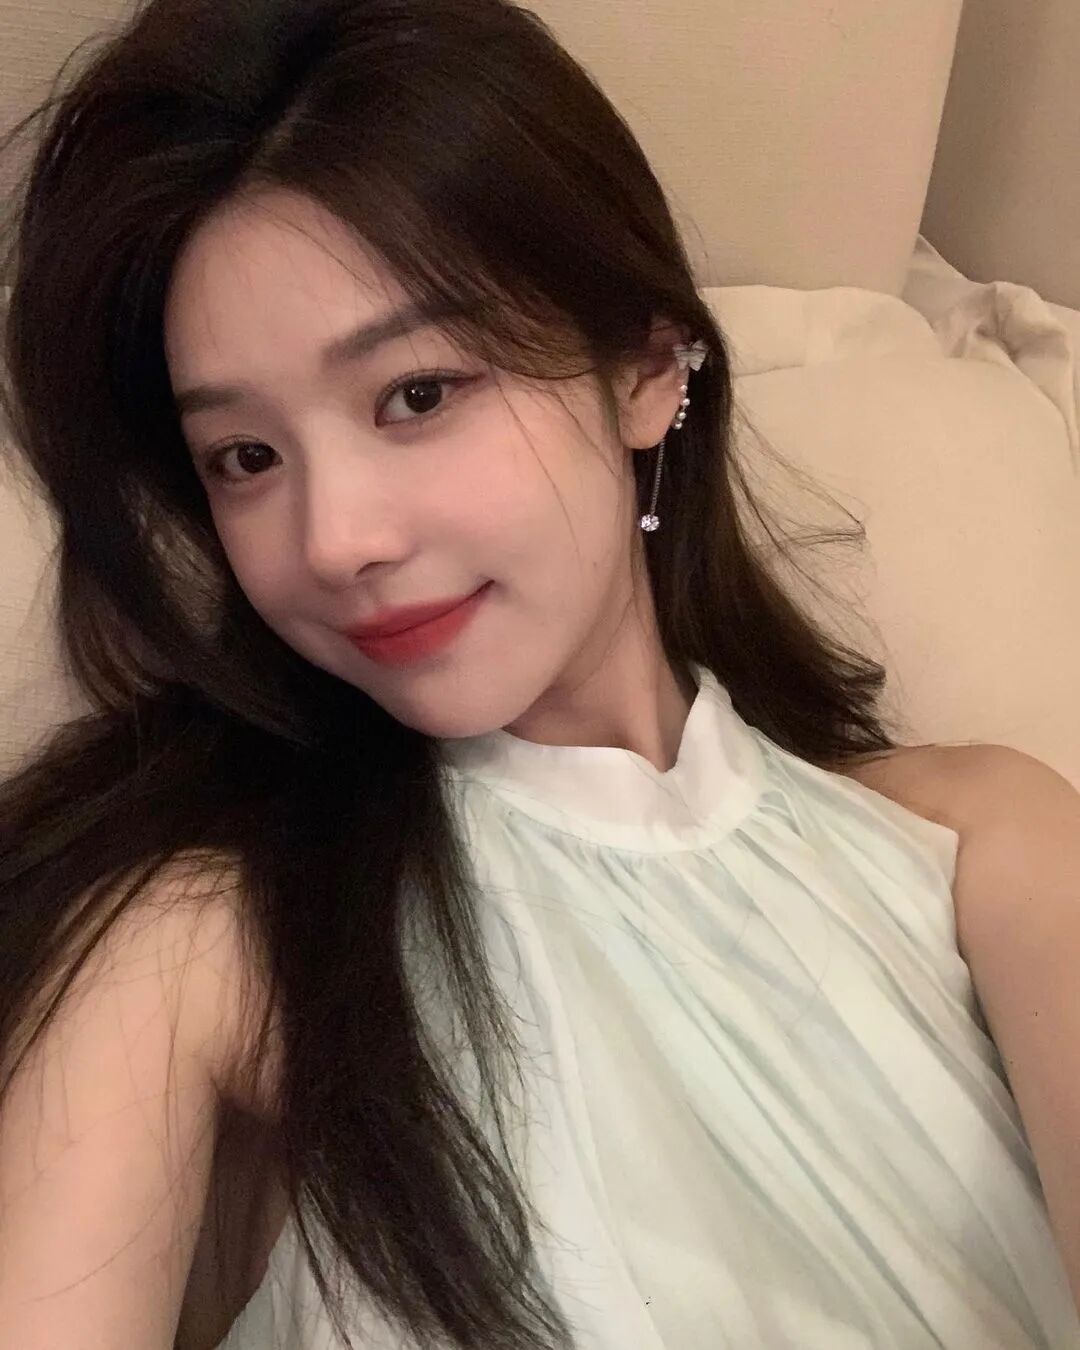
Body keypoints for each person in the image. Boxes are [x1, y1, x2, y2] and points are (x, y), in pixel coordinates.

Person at [1, 0, 1079, 1347]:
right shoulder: (205, 940)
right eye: (247, 458)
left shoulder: (978, 842)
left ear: (645, 369)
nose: (334, 540)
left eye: (416, 394)